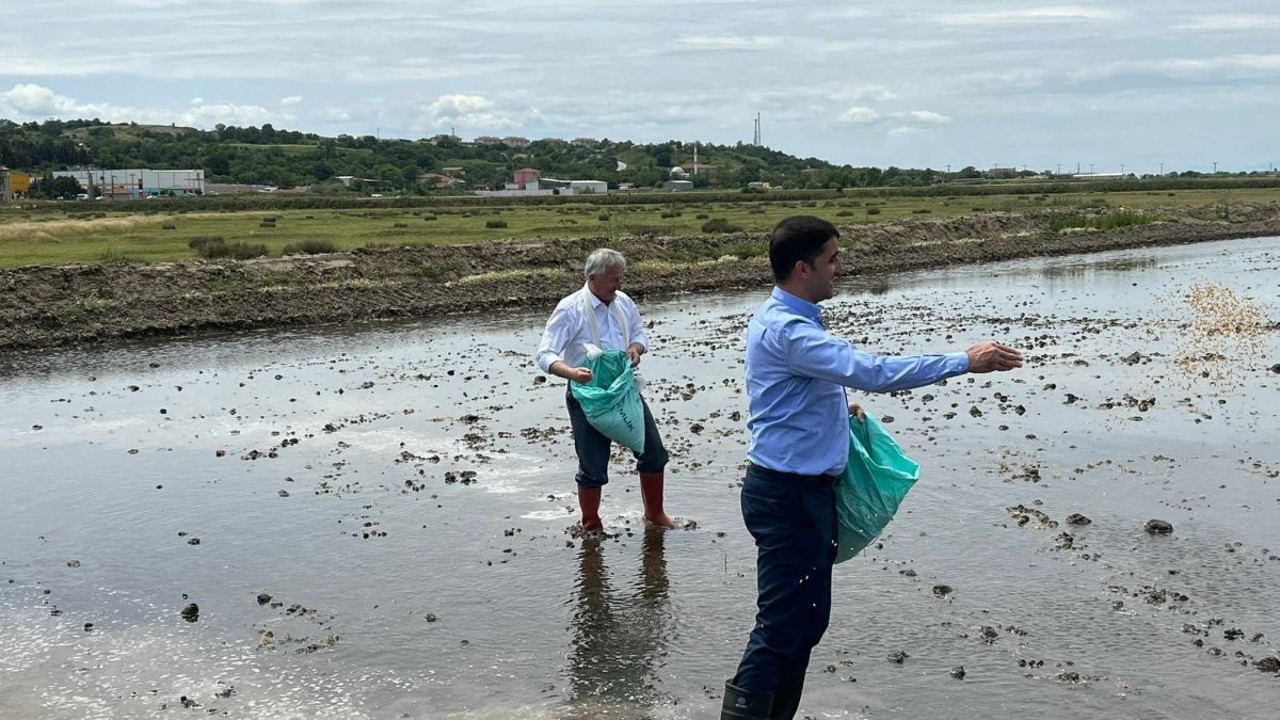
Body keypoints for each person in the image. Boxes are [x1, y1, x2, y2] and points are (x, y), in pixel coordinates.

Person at [721, 216, 1024, 720]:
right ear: (802, 268)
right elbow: (873, 372)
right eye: (832, 259)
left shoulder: (791, 321)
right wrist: (962, 360)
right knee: (781, 627)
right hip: (787, 496)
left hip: (799, 492)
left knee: (806, 622)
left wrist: (838, 409)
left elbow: (790, 396)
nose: (840, 268)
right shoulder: (790, 329)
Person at [536, 248, 673, 531]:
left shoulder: (623, 302)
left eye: (620, 278)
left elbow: (638, 335)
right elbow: (545, 354)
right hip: (588, 397)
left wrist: (636, 349)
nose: (619, 285)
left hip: (624, 392)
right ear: (592, 278)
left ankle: (655, 514)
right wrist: (571, 373)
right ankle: (590, 522)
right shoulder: (570, 308)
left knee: (654, 453)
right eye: (613, 279)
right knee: (593, 466)